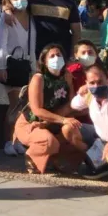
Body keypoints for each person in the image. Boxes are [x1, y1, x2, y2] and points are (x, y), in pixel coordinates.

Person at [13, 43, 86, 174]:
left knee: (73, 131)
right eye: (52, 56)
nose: (56, 58)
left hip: (52, 122)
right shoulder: (39, 78)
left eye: (59, 55)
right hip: (31, 123)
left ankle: (56, 160)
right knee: (49, 141)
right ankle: (32, 158)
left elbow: (71, 104)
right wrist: (63, 119)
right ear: (45, 62)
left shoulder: (66, 76)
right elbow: (37, 110)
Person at [4, 0, 81, 56]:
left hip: (61, 54)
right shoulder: (33, 1)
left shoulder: (70, 4)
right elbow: (10, 3)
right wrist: (7, 11)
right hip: (36, 54)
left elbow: (77, 33)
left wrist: (73, 56)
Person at [0, 0, 34, 157]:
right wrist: (2, 65)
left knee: (24, 107)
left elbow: (32, 45)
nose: (20, 0)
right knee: (14, 105)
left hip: (27, 65)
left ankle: (18, 140)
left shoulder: (31, 17)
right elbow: (1, 44)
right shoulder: (6, 17)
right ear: (9, 1)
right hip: (11, 66)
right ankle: (7, 141)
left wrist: (34, 68)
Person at [70, 61, 108, 178]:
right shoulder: (90, 95)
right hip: (99, 137)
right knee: (69, 129)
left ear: (107, 79)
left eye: (100, 82)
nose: (96, 86)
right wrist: (82, 92)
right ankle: (96, 161)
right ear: (86, 83)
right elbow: (74, 105)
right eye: (92, 83)